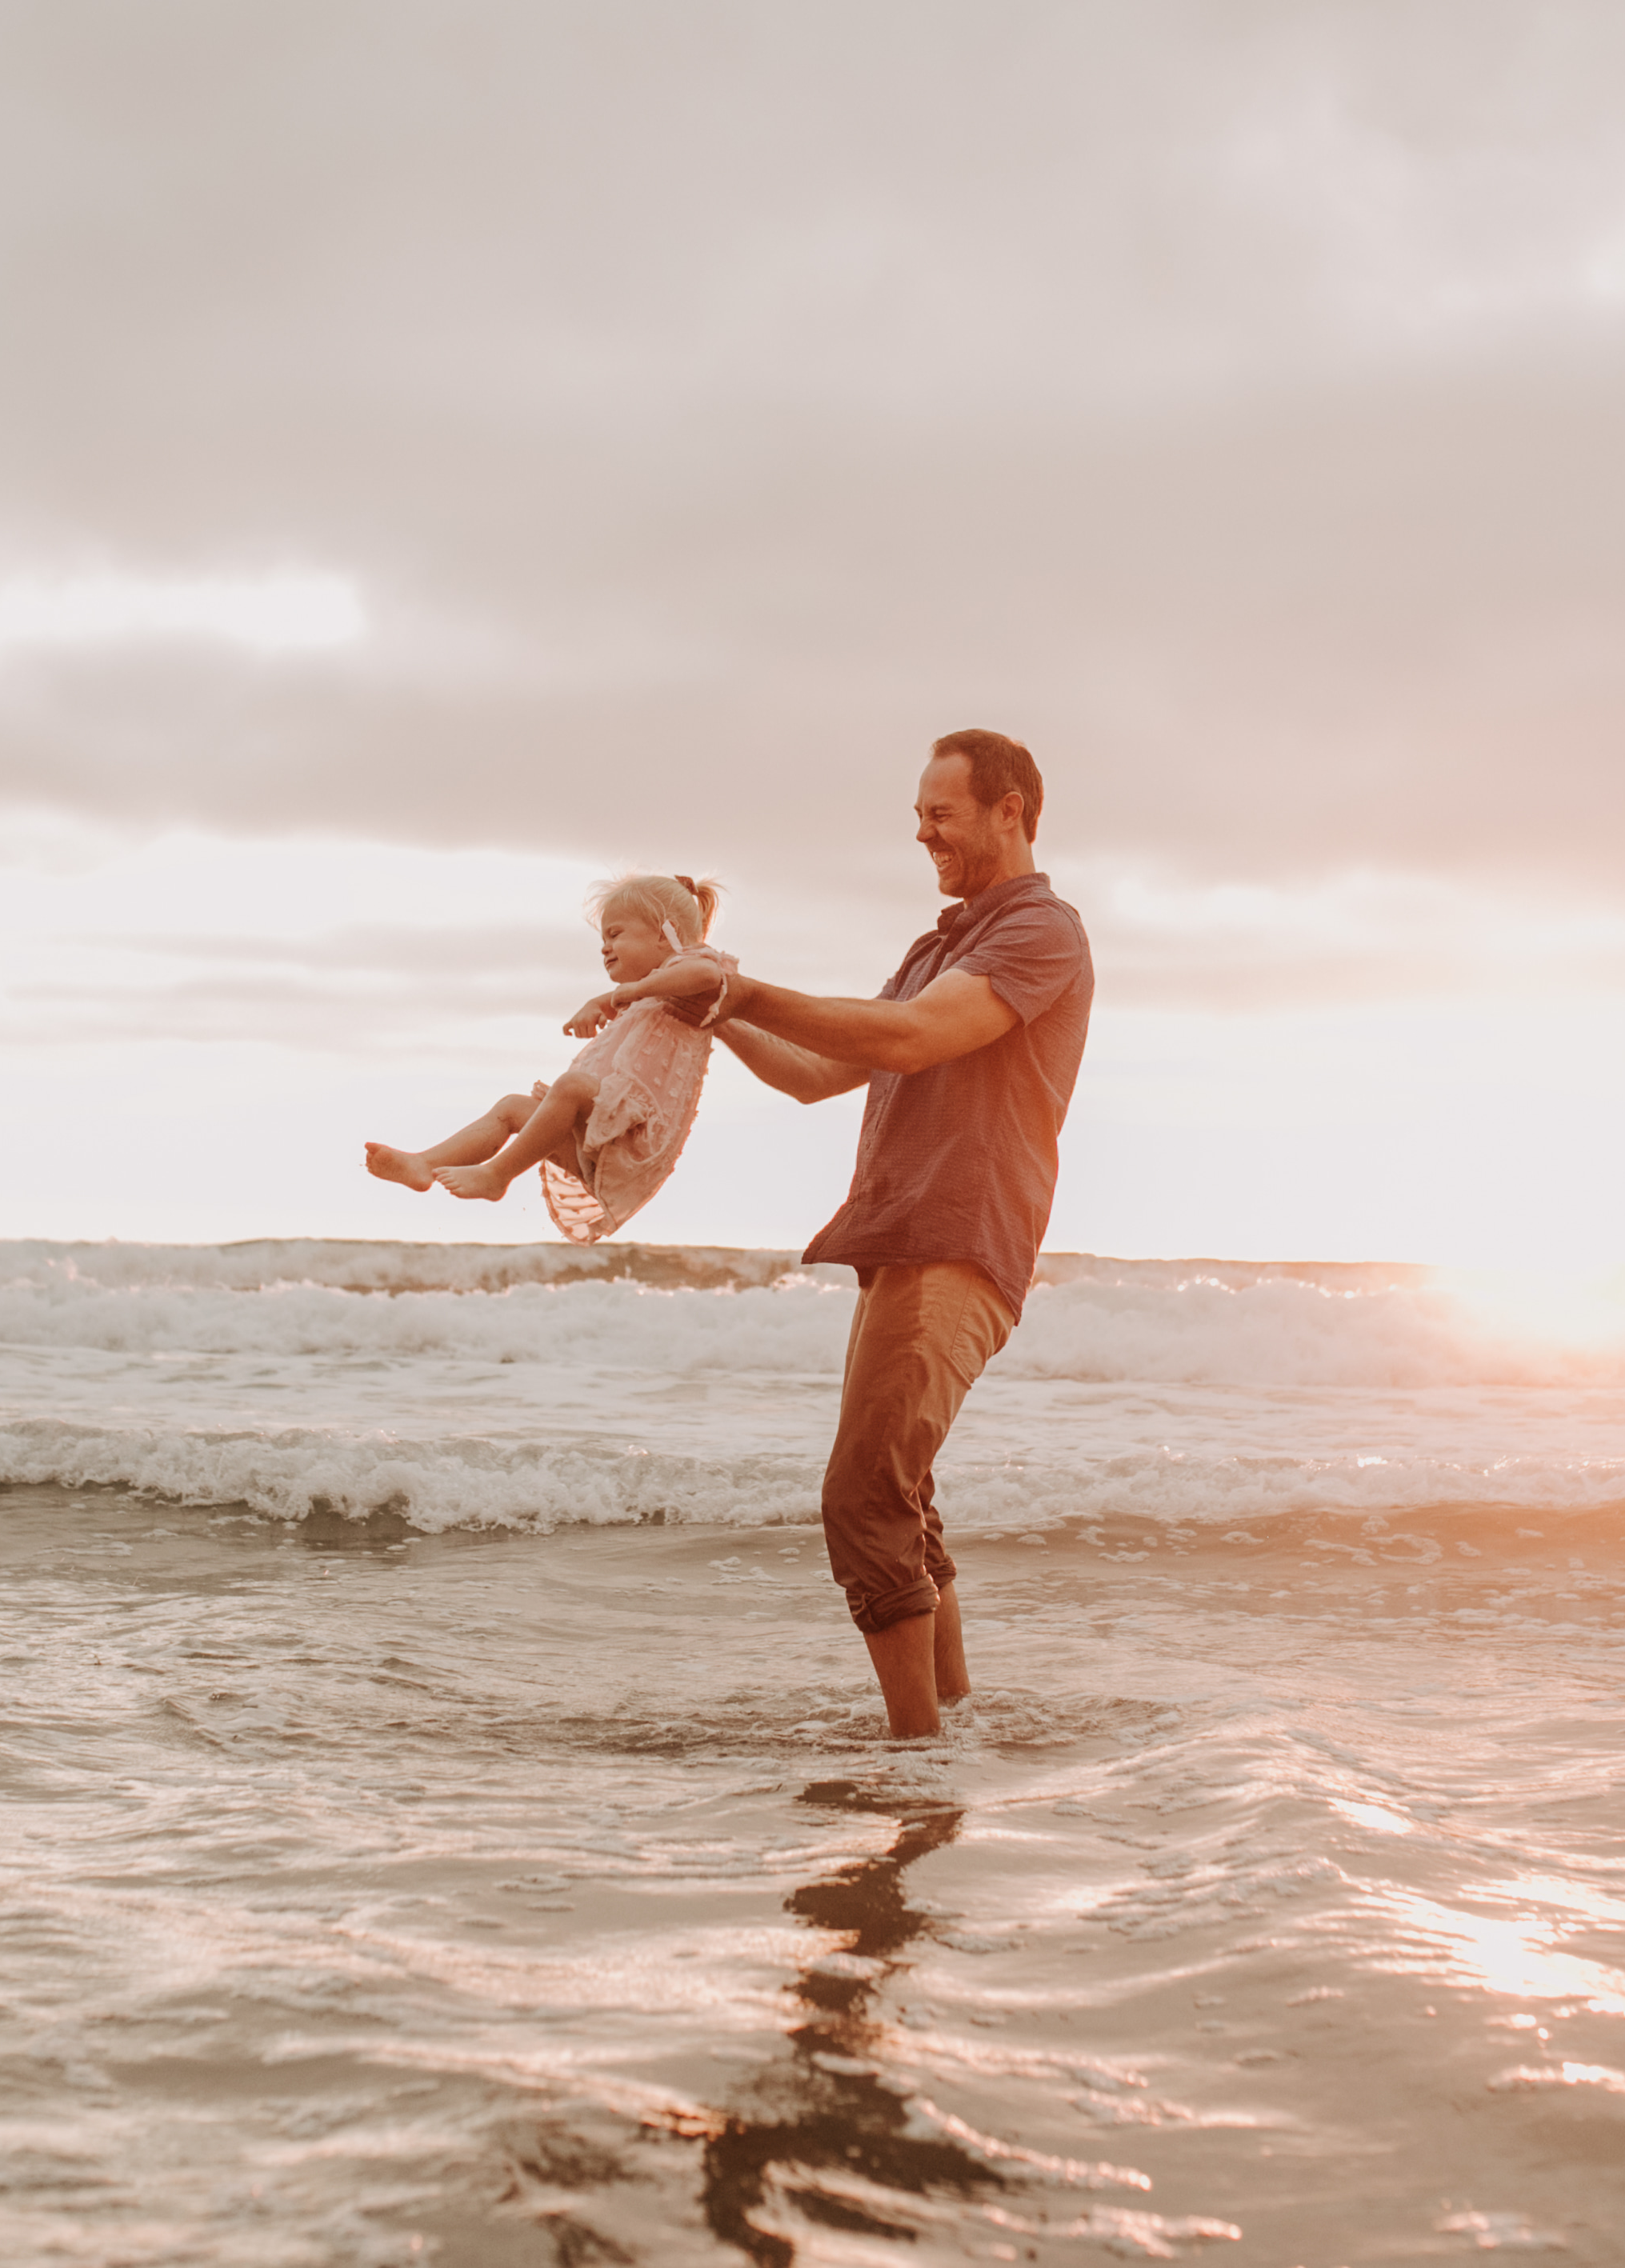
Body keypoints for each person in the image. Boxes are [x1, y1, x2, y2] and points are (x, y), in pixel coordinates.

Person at [690, 730, 1092, 1738]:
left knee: (862, 1496)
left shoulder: (1040, 930)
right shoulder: (934, 946)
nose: (922, 833)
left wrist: (735, 989)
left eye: (940, 813)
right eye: (917, 815)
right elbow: (816, 1071)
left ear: (1011, 810)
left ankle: (914, 1758)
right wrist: (709, 1001)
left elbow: (912, 1037)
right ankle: (950, 1729)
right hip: (900, 1236)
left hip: (962, 1238)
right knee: (899, 1496)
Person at [366, 874, 733, 1242]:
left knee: (572, 1087)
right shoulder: (651, 993)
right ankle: (424, 1164)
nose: (605, 948)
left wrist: (633, 989)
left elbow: (705, 974)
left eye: (615, 934)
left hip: (636, 1139)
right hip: (597, 1142)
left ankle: (497, 1176)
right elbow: (643, 993)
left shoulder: (692, 968)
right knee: (512, 1107)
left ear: (663, 933)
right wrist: (599, 1002)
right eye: (603, 939)